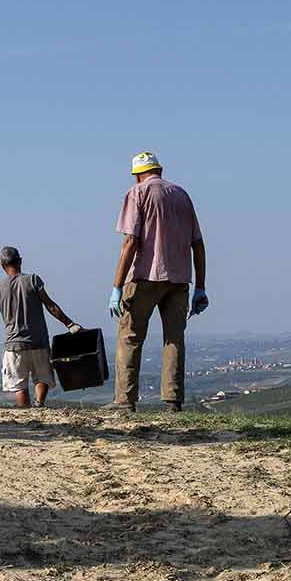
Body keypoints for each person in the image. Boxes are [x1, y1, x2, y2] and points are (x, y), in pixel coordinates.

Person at [107, 152, 207, 411]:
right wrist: (201, 287)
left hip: (144, 276)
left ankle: (125, 401)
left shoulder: (137, 193)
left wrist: (117, 286)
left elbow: (130, 241)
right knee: (174, 338)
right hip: (179, 279)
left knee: (130, 337)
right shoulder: (181, 195)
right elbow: (198, 243)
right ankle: (173, 401)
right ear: (159, 170)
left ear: (137, 175)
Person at [0, 247, 84, 407]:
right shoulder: (33, 280)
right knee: (42, 377)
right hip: (38, 342)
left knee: (19, 386)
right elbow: (50, 305)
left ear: (2, 265)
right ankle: (39, 405)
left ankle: (25, 412)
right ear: (20, 261)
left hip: (13, 345)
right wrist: (70, 324)